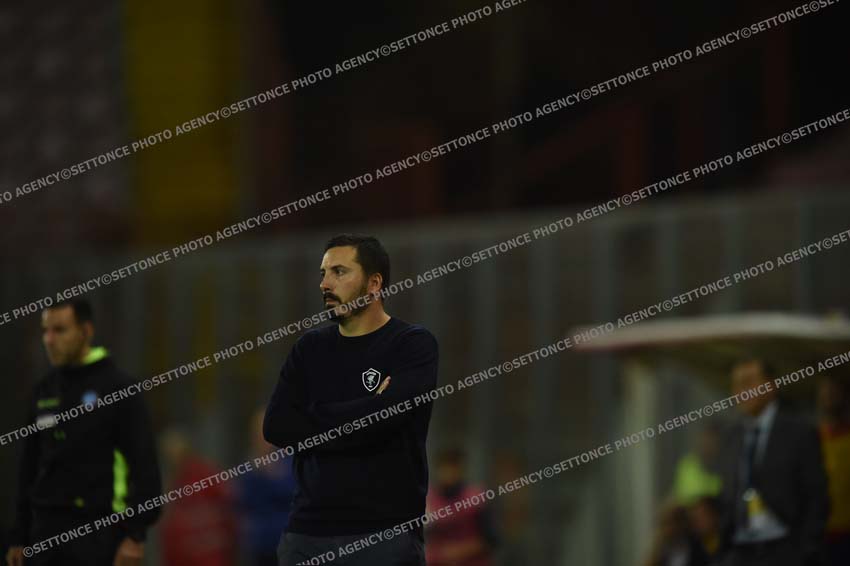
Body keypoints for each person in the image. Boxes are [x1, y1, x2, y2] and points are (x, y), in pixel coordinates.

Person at [263, 234, 439, 566]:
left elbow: (385, 419)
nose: (325, 284)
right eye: (323, 273)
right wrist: (369, 408)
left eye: (339, 272)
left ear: (374, 284)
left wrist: (314, 417)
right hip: (307, 534)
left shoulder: (412, 344)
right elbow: (277, 427)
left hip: (383, 535)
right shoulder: (309, 349)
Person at [6, 299, 162, 566]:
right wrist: (19, 535)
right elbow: (28, 468)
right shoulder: (44, 390)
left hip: (100, 533)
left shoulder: (118, 388)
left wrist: (135, 535)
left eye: (60, 330)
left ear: (86, 331)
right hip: (45, 534)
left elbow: (145, 469)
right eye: (46, 331)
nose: (49, 340)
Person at [717, 357, 829, 566]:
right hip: (740, 550)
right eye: (737, 384)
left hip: (785, 549)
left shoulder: (798, 432)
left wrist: (804, 550)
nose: (742, 391)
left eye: (749, 382)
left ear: (770, 386)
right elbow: (726, 496)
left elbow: (817, 497)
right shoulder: (731, 437)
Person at [159, 429, 236, 566]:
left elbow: (227, 500)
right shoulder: (174, 481)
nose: (174, 458)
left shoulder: (204, 474)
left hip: (209, 554)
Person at [237, 408, 297, 566]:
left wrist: (271, 474)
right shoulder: (249, 467)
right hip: (261, 545)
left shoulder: (289, 459)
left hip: (288, 542)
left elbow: (294, 493)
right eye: (256, 433)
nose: (260, 438)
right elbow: (244, 503)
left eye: (262, 432)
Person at [424, 448, 498, 566]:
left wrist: (458, 551)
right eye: (444, 468)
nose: (448, 473)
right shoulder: (429, 500)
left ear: (461, 469)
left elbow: (491, 539)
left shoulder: (477, 499)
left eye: (453, 468)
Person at [817, 374, 850, 565]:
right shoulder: (812, 439)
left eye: (834, 394)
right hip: (818, 534)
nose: (828, 399)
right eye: (825, 394)